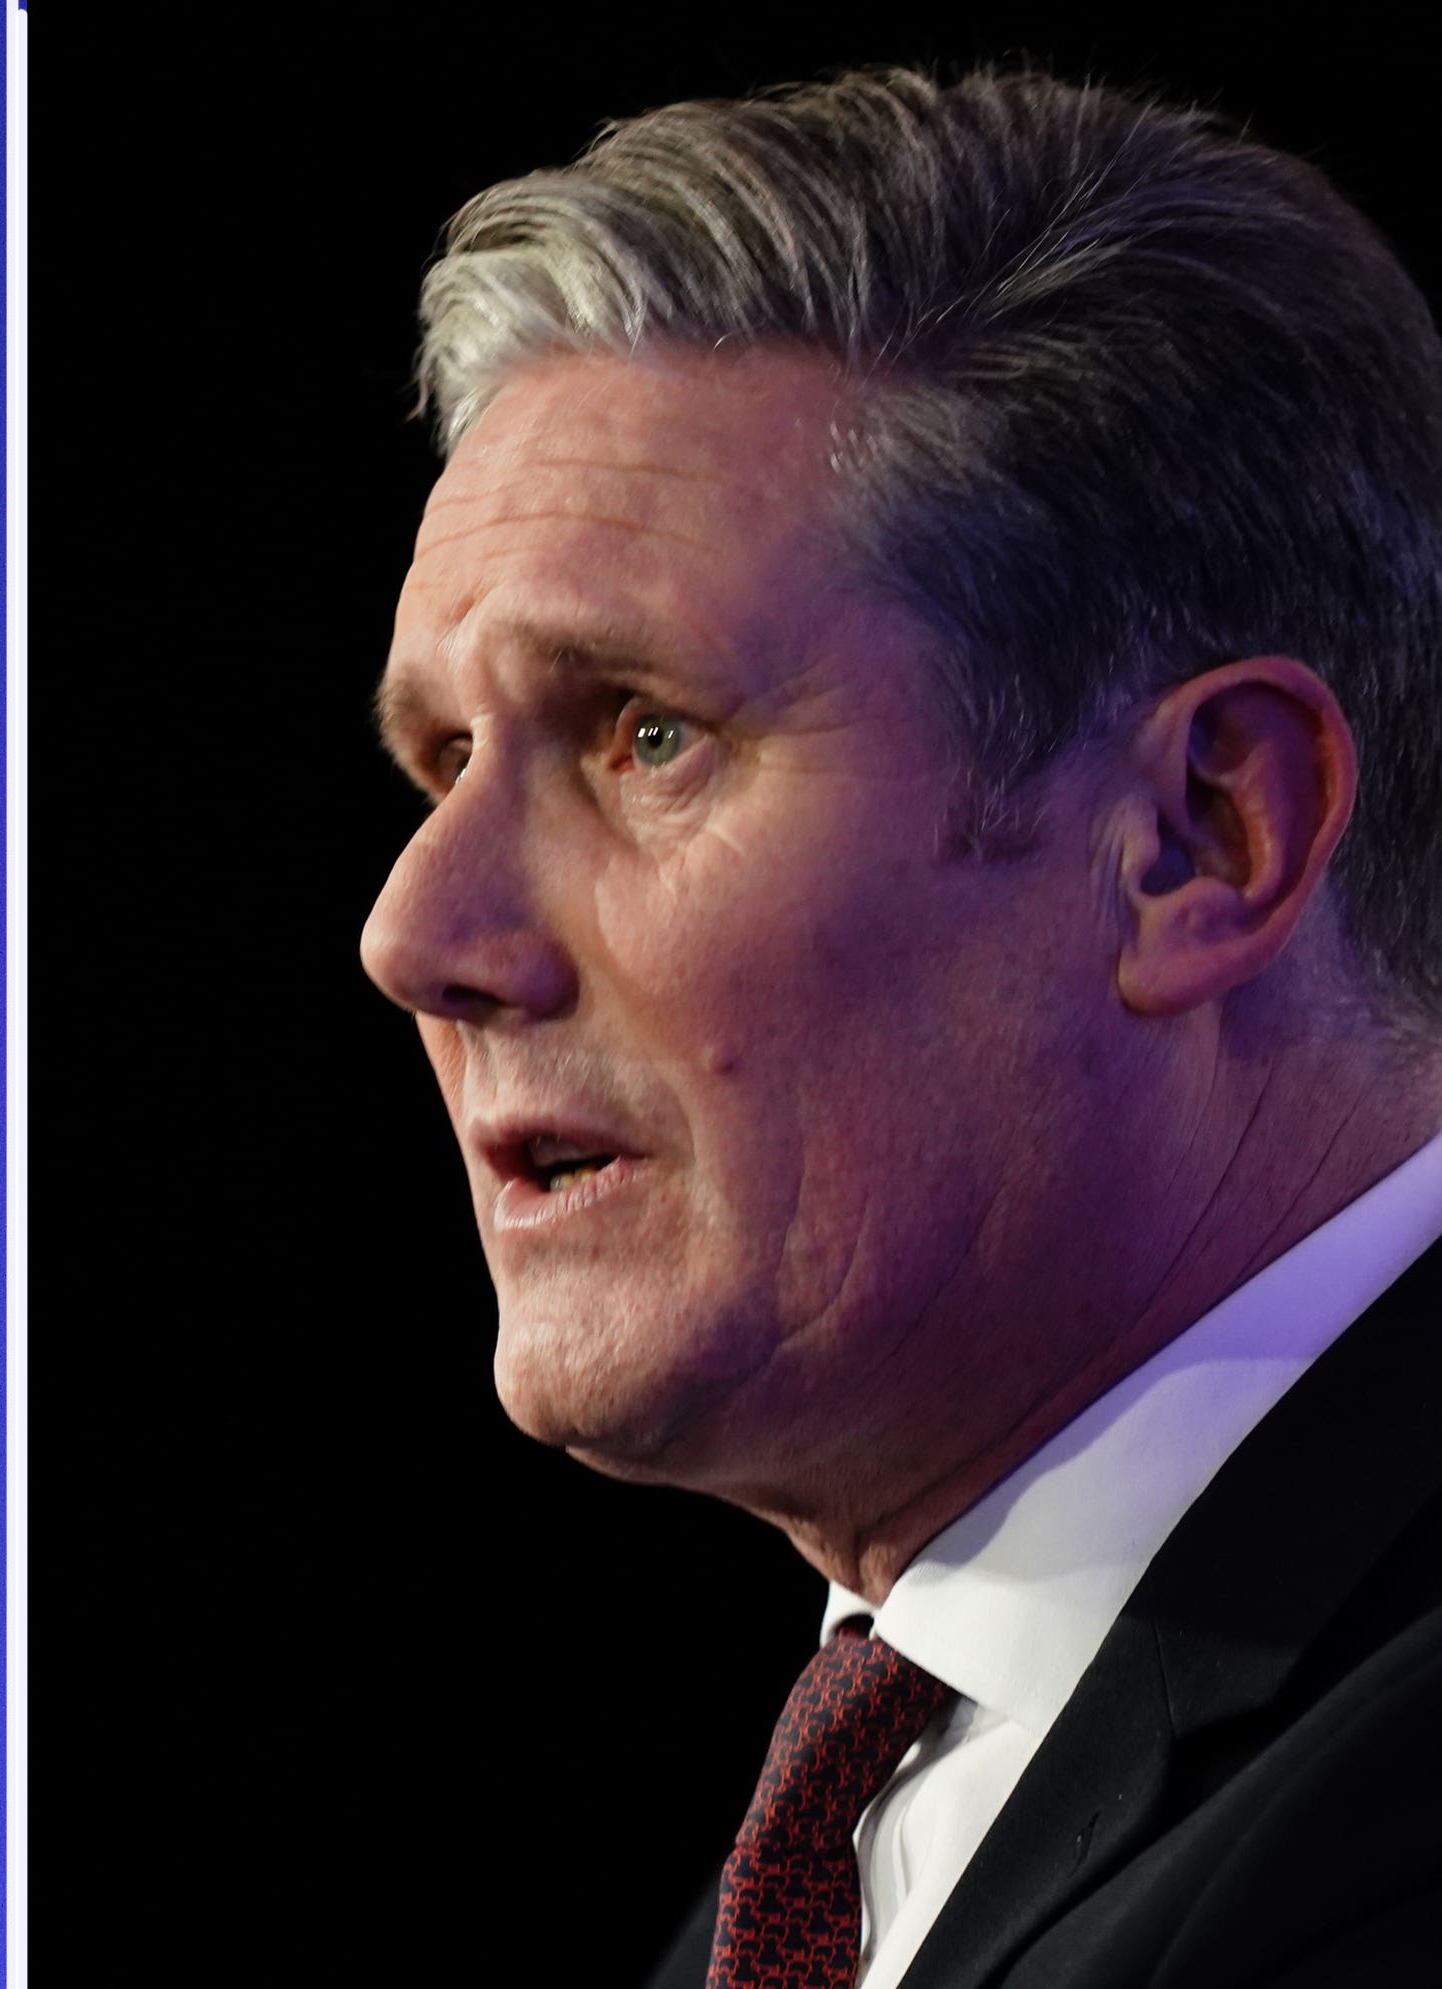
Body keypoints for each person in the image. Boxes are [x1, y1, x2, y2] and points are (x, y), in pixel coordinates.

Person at [361, 65, 1442, 1989]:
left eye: (643, 732)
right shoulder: (863, 1822)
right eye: (440, 762)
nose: (419, 933)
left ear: (1204, 838)